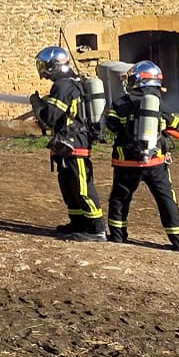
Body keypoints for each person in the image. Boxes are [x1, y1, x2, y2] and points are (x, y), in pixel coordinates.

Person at [104, 61, 179, 252]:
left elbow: (111, 124)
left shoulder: (121, 103)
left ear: (137, 80)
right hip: (155, 163)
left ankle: (118, 237)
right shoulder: (160, 103)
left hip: (126, 162)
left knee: (120, 199)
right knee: (166, 200)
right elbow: (176, 124)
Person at [30, 46, 106, 241]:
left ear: (54, 65)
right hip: (67, 144)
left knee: (82, 187)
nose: (44, 72)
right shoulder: (70, 84)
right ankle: (79, 223)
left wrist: (37, 104)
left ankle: (96, 229)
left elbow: (50, 118)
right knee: (69, 186)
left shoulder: (63, 86)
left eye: (45, 66)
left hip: (75, 144)